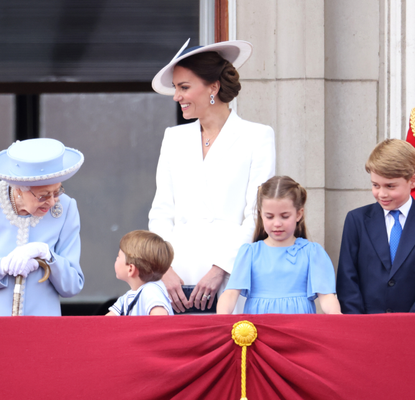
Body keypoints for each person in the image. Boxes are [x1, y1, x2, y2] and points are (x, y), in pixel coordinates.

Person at [149, 39, 276, 313]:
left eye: (184, 87)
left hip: (232, 277)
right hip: (175, 279)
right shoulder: (174, 137)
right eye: (175, 88)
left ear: (213, 87)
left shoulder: (257, 136)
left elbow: (256, 214)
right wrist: (164, 270)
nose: (176, 96)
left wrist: (222, 268)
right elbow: (161, 211)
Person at [217, 175, 341, 315]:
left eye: (285, 216)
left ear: (299, 214)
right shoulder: (249, 252)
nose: (277, 223)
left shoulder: (312, 252)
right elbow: (230, 293)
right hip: (258, 329)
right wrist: (222, 319)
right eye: (269, 216)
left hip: (298, 328)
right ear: (261, 215)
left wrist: (336, 317)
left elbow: (327, 297)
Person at [0, 138, 84, 316]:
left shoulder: (66, 209)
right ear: (19, 189)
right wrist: (4, 267)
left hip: (43, 330)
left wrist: (48, 256)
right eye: (43, 196)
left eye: (58, 191)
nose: (53, 202)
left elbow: (72, 286)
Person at [337, 139, 415, 314]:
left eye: (390, 186)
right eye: (375, 185)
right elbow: (347, 278)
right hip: (367, 327)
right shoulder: (356, 220)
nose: (382, 194)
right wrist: (359, 324)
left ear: (412, 181)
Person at [107, 230, 174, 316]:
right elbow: (105, 322)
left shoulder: (151, 290)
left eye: (118, 256)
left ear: (130, 269)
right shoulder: (126, 298)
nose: (116, 259)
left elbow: (160, 318)